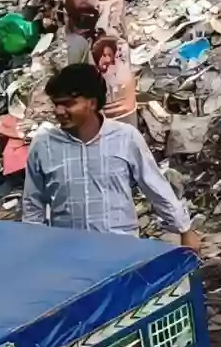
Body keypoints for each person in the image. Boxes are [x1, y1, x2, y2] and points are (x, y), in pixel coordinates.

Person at [21, 63, 197, 246]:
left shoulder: (125, 138)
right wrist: (35, 246)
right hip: (69, 254)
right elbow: (33, 205)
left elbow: (155, 186)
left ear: (92, 103)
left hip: (121, 252)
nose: (59, 111)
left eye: (68, 104)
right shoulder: (44, 145)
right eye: (56, 104)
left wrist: (184, 229)